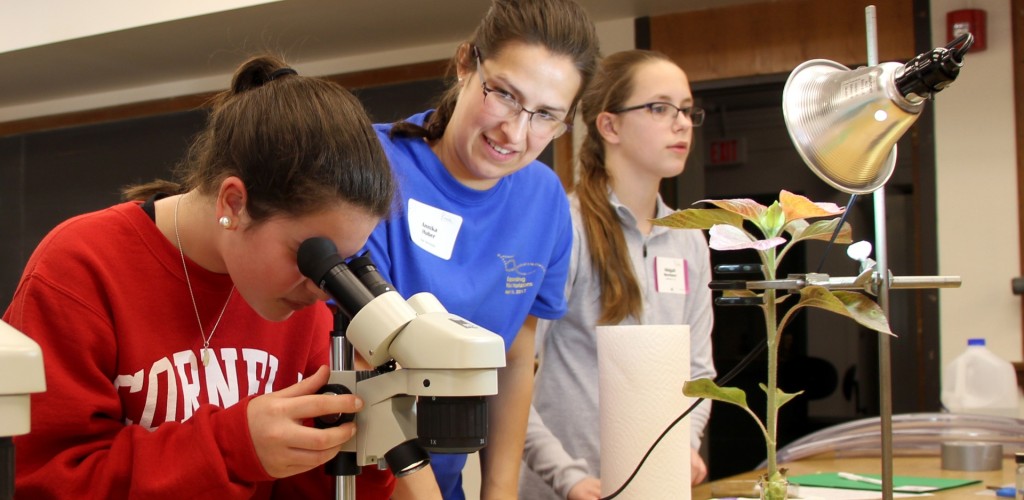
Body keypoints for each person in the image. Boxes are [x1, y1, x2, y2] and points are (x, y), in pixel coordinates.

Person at [4, 54, 438, 499]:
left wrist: (364, 438)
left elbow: (308, 491)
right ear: (234, 203)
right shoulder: (81, 267)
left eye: (339, 264)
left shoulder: (303, 311)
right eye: (312, 257)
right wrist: (234, 446)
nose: (319, 288)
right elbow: (54, 484)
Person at [360, 0, 600, 498]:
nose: (514, 132)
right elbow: (365, 370)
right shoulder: (372, 170)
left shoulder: (543, 199)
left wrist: (500, 491)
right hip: (359, 480)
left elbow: (513, 357)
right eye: (505, 95)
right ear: (466, 63)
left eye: (546, 116)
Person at [520, 50, 717, 500]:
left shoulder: (689, 241)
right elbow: (515, 373)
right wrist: (567, 477)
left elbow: (699, 370)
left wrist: (685, 445)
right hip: (571, 488)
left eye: (687, 110)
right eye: (660, 108)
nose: (682, 123)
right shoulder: (564, 227)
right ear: (609, 126)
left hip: (657, 488)